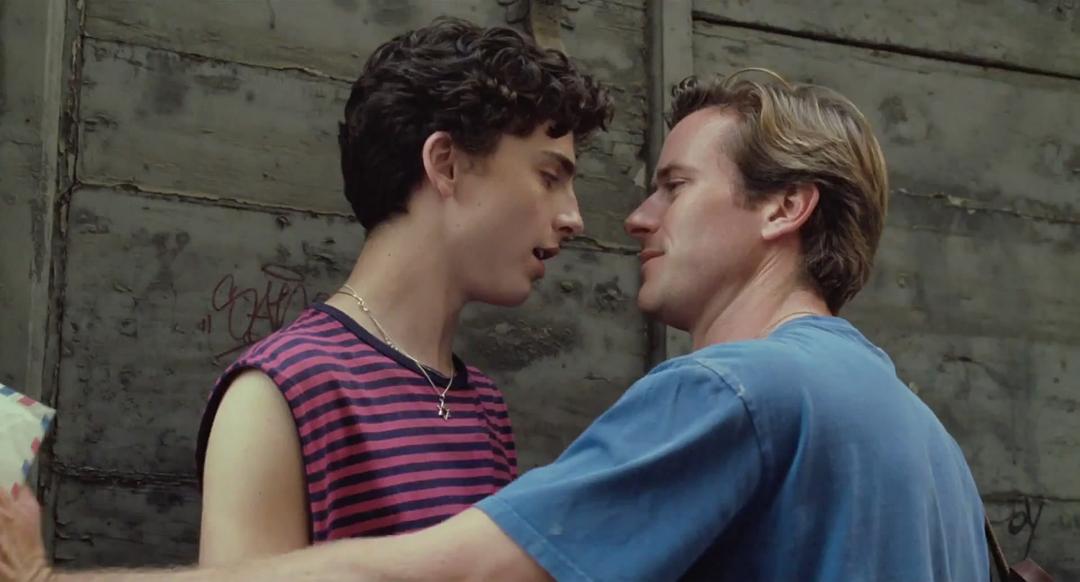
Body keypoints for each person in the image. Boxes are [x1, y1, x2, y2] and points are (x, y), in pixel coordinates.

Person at [0, 69, 989, 582]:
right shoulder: (925, 438)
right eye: (554, 176)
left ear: (785, 208)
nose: (628, 220)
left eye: (675, 186)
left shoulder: (738, 392)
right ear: (444, 166)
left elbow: (465, 572)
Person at [191, 16, 612, 565]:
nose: (573, 218)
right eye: (549, 177)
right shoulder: (280, 393)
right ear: (446, 165)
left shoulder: (483, 405)